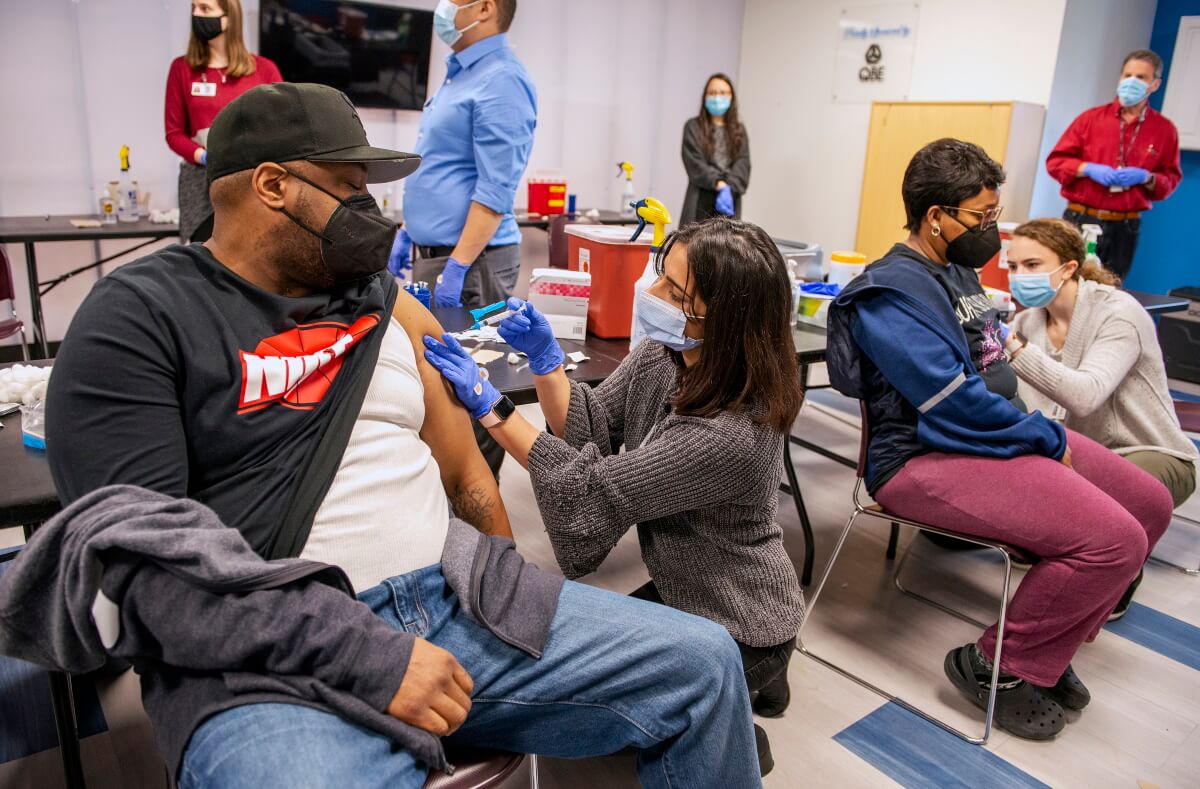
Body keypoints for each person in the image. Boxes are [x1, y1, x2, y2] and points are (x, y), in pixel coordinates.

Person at [45, 83, 761, 789]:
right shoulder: (139, 315)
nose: (370, 212)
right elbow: (149, 574)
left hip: (457, 597)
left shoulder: (384, 303)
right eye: (348, 188)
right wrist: (375, 657)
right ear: (270, 185)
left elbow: (469, 478)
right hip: (267, 658)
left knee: (705, 663)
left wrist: (505, 580)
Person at [423, 217, 805, 773]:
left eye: (675, 293)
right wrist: (548, 363)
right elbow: (593, 424)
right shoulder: (667, 358)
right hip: (686, 586)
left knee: (613, 708)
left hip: (740, 617)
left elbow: (591, 488)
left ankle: (739, 718)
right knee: (597, 658)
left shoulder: (731, 434)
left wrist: (491, 407)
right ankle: (751, 691)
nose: (652, 296)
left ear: (724, 319)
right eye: (660, 277)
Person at [826, 138, 1174, 741]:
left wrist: (1035, 434)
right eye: (981, 217)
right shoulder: (889, 294)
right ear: (936, 217)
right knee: (1113, 542)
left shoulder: (956, 271)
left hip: (986, 437)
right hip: (923, 456)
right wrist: (1044, 437)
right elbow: (953, 404)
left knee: (1150, 507)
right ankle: (1000, 665)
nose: (992, 229)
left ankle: (1048, 644)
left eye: (994, 213)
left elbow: (993, 364)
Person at [1004, 218, 1197, 609]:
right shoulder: (1026, 322)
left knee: (1094, 507)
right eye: (1013, 266)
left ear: (1069, 267)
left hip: (1153, 456)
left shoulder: (1118, 314)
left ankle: (1125, 564)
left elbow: (1085, 395)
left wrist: (1014, 350)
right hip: (1080, 458)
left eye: (1032, 265)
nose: (1019, 276)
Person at [401, 0, 536, 478]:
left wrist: (457, 264)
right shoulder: (461, 74)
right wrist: (407, 232)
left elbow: (494, 189)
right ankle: (451, 517)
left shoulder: (501, 79)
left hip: (471, 262)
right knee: (440, 393)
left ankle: (483, 530)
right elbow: (443, 167)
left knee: (473, 394)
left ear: (483, 7)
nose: (443, 7)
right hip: (438, 256)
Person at [1046, 49, 1182, 280]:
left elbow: (1170, 180)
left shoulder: (1164, 130)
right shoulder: (1090, 119)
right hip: (1081, 218)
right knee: (1067, 283)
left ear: (1155, 85)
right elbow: (1056, 163)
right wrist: (1087, 168)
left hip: (1124, 225)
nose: (1132, 82)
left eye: (1140, 77)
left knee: (1111, 289)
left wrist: (1146, 177)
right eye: (1127, 75)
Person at [164, 0, 281, 242]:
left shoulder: (264, 70)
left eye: (205, 9)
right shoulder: (182, 69)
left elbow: (281, 125)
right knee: (203, 255)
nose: (197, 15)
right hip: (200, 181)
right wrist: (205, 156)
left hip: (250, 178)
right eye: (194, 8)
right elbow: (174, 133)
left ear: (229, 18)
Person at [680, 73, 751, 225]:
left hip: (729, 200)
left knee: (726, 245)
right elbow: (694, 163)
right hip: (699, 199)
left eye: (723, 93)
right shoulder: (693, 127)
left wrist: (729, 187)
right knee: (694, 244)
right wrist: (718, 183)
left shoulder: (739, 130)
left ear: (731, 97)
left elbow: (743, 163)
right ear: (705, 96)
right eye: (712, 93)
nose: (717, 97)